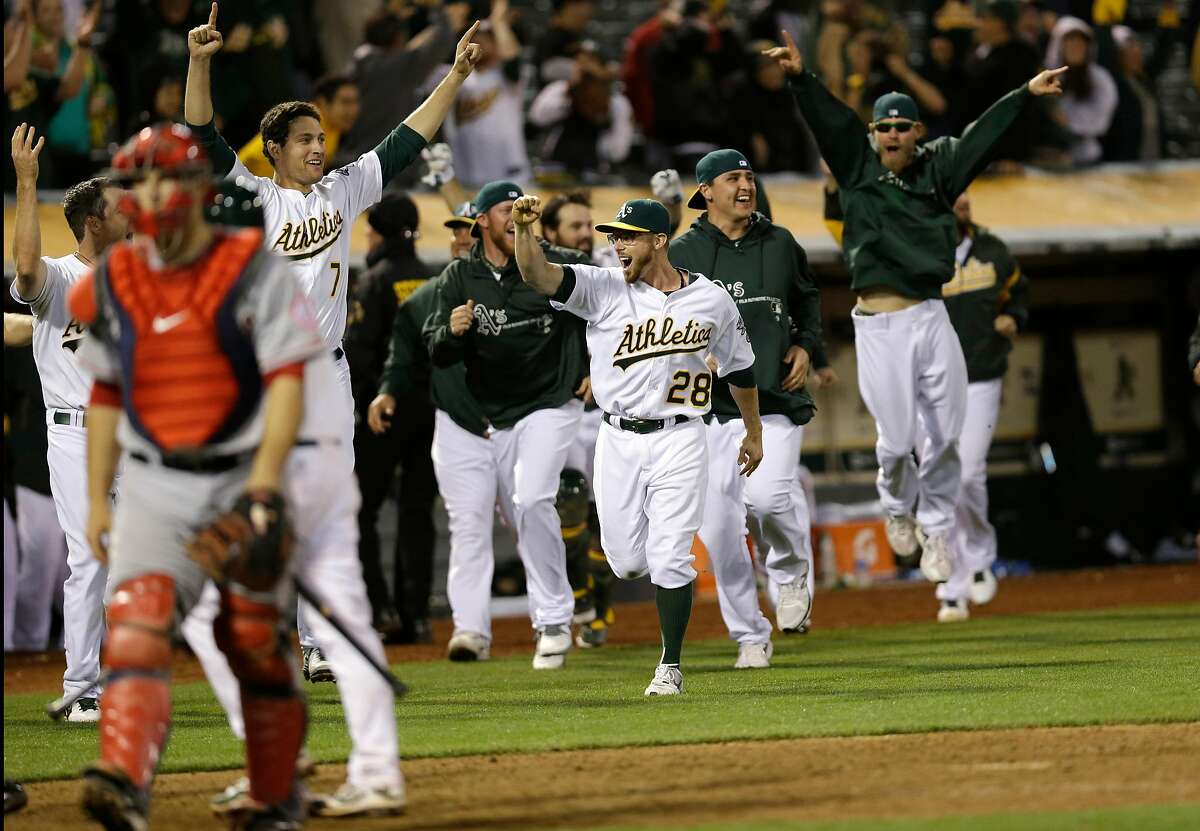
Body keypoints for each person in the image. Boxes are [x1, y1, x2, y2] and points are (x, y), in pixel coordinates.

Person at [183, 0, 483, 682]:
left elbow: (406, 140)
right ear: (279, 148)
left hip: (328, 374)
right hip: (268, 376)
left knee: (327, 508)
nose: (320, 147)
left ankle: (316, 641)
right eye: (306, 140)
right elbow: (200, 134)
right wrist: (199, 61)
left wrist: (458, 74)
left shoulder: (342, 193)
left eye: (321, 137)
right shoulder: (255, 197)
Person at [69, 123, 318, 831]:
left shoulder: (251, 266)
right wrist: (95, 499)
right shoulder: (112, 278)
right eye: (138, 179)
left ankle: (275, 797)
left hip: (241, 474)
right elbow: (106, 396)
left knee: (253, 640)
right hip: (152, 480)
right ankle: (122, 777)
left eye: (165, 177)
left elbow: (286, 383)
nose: (149, 193)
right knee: (136, 625)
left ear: (199, 187)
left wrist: (267, 484)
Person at [762, 29, 1065, 582]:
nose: (894, 134)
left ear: (918, 132)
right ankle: (898, 509)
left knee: (946, 434)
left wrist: (1024, 93)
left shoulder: (939, 167)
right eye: (885, 126)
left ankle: (938, 527)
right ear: (874, 132)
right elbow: (830, 122)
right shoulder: (856, 167)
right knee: (897, 440)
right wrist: (802, 78)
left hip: (931, 314)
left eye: (903, 126)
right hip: (880, 323)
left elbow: (981, 137)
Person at [514, 195, 762, 696]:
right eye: (614, 236)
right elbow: (538, 275)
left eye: (627, 236)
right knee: (627, 560)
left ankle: (669, 665)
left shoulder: (711, 299)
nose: (617, 244)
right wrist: (523, 231)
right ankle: (660, 569)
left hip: (683, 437)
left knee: (671, 557)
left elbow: (741, 369)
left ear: (659, 240)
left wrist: (754, 433)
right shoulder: (603, 287)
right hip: (618, 437)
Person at [824, 186, 1029, 620]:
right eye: (955, 195)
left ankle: (978, 555)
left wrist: (1015, 316)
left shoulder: (992, 249)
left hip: (980, 377)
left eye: (968, 195)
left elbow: (1019, 291)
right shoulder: (914, 245)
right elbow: (844, 232)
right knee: (939, 471)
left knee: (968, 473)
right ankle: (951, 585)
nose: (965, 202)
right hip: (921, 381)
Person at [424, 180, 590, 669]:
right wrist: (451, 333)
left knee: (534, 496)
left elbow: (602, 313)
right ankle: (495, 625)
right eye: (503, 208)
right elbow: (434, 346)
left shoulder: (554, 260)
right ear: (481, 221)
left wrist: (595, 369)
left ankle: (555, 619)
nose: (515, 213)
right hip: (495, 414)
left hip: (551, 400)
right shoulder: (458, 276)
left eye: (520, 206)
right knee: (499, 515)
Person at [669, 149, 822, 667]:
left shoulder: (780, 243)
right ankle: (750, 634)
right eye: (732, 178)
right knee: (717, 532)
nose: (745, 186)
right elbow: (660, 323)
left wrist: (805, 344)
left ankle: (792, 570)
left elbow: (807, 300)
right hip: (707, 412)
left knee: (770, 497)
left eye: (750, 177)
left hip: (773, 400)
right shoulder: (683, 251)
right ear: (705, 191)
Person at [10, 123, 129, 721]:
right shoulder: (60, 276)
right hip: (76, 430)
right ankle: (83, 686)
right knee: (89, 557)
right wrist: (27, 185)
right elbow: (26, 269)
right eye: (118, 208)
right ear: (92, 220)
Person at [344, 191, 438, 644]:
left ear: (381, 232)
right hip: (431, 411)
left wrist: (361, 407)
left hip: (383, 409)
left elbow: (359, 354)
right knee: (417, 513)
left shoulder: (375, 280)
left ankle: (378, 609)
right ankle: (416, 615)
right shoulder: (434, 280)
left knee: (360, 512)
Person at [336, 4, 459, 166]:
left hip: (355, 159)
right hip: (390, 163)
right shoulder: (402, 66)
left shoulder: (357, 61)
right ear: (398, 37)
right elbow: (442, 41)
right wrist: (436, 9)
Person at [236, 74, 361, 178]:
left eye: (355, 102)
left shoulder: (330, 127)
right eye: (346, 102)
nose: (353, 110)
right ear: (323, 103)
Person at [1045, 17, 1117, 166]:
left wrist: (1067, 124)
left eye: (1080, 43)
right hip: (1050, 157)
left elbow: (1100, 120)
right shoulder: (1046, 79)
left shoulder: (1100, 78)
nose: (1075, 47)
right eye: (1070, 42)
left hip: (1089, 158)